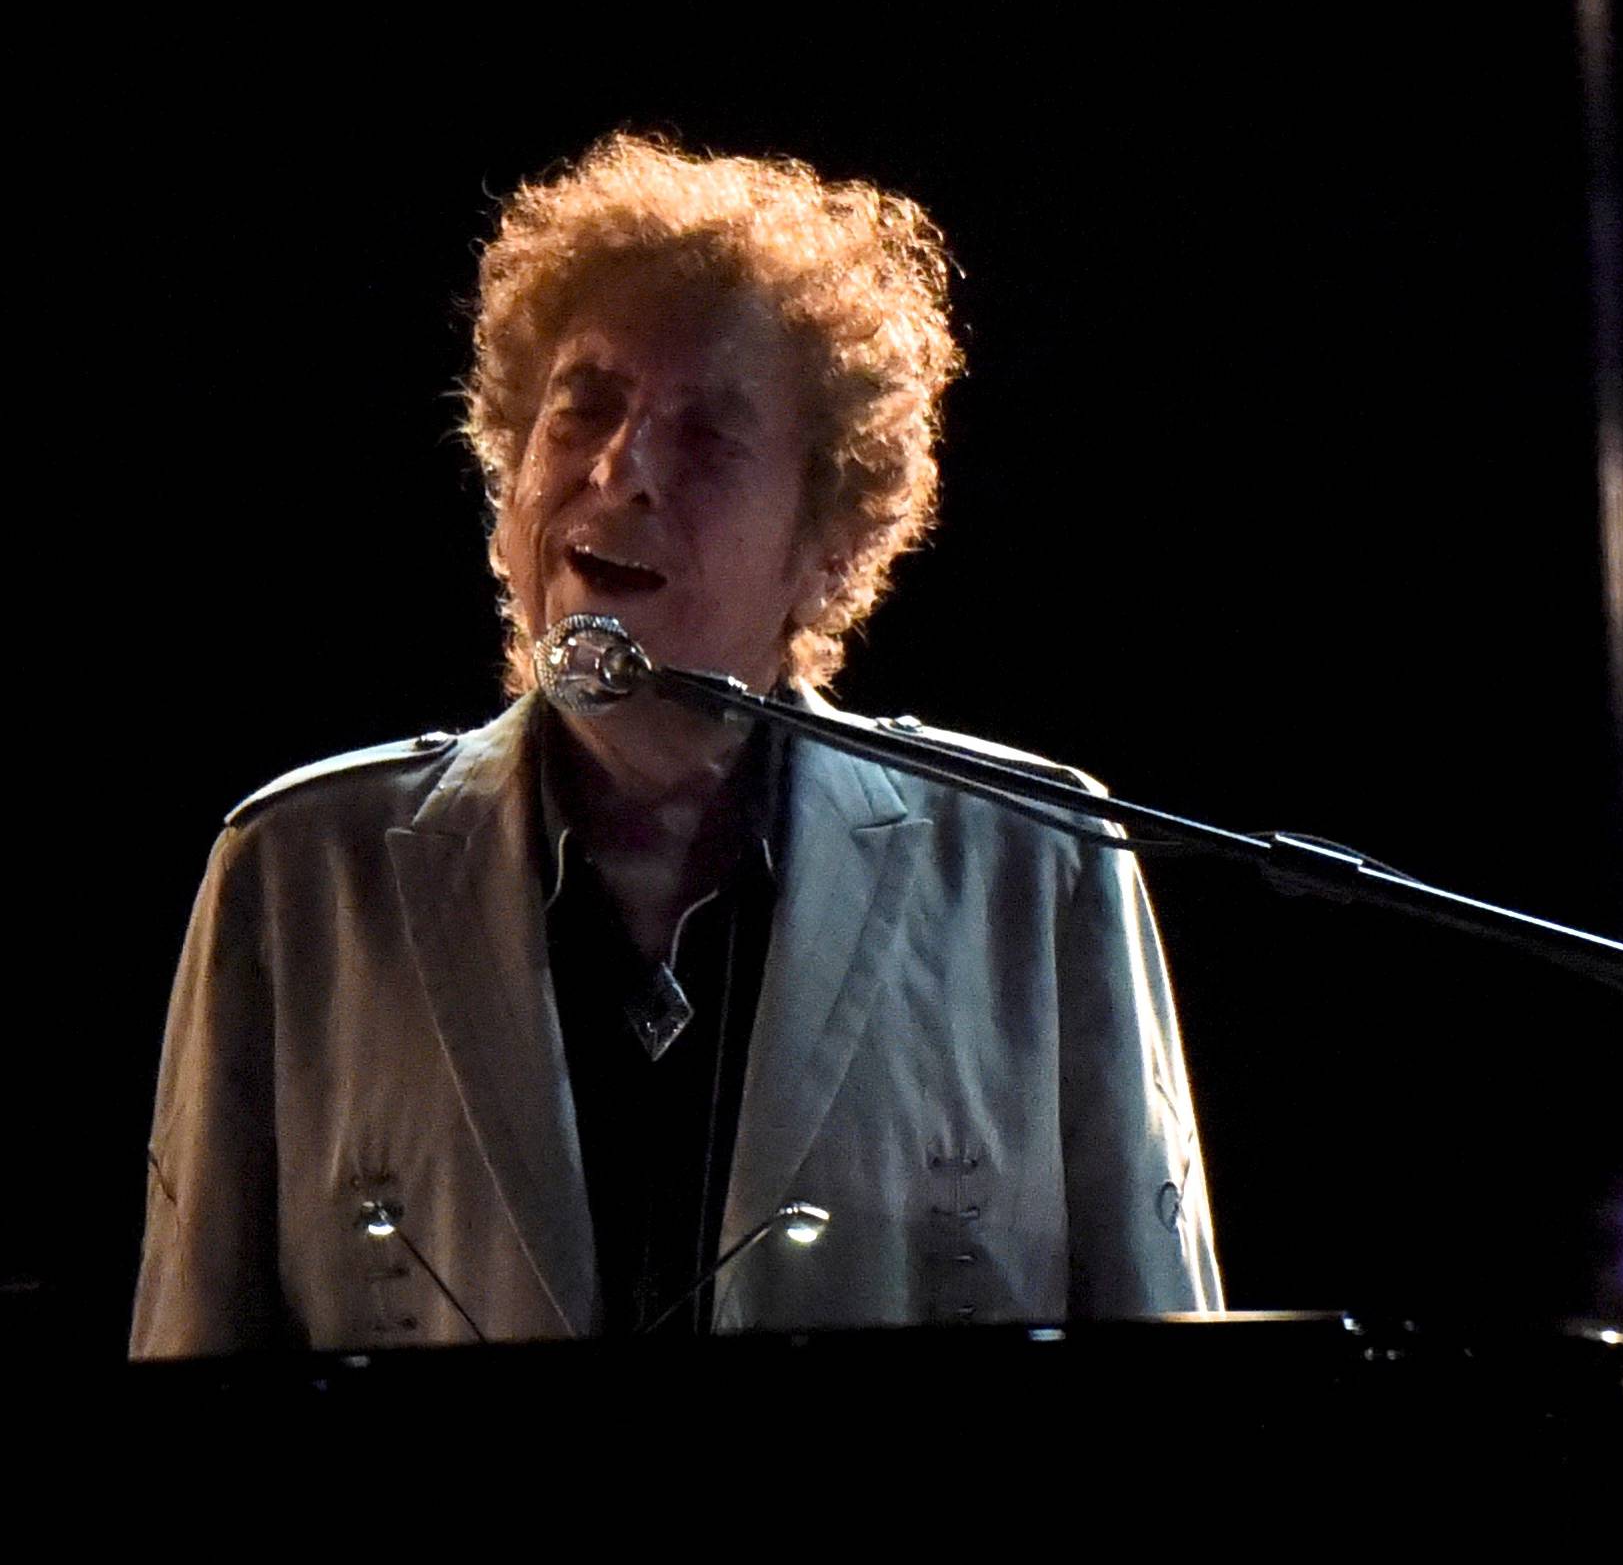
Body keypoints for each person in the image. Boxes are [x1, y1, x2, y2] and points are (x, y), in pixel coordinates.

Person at [131, 133, 1223, 1354]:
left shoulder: (1037, 862)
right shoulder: (297, 872)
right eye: (583, 406)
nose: (619, 468)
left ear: (828, 545)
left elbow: (1168, 1405)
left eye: (706, 436)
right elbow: (192, 1408)